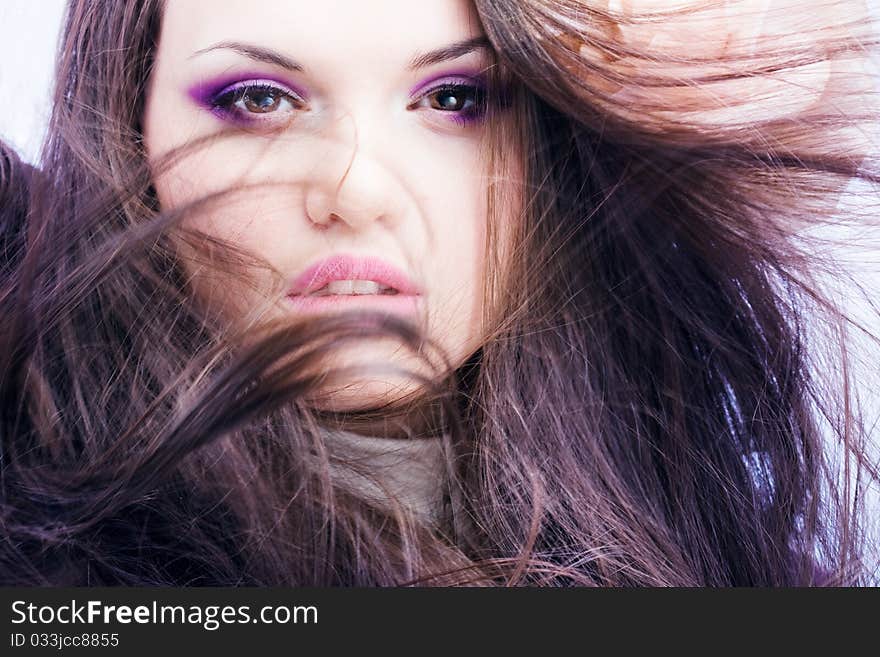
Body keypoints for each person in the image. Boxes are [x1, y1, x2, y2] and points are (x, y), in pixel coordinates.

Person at [1, 0, 878, 586]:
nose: (357, 189)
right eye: (259, 98)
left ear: (556, 140)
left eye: (455, 97)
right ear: (127, 121)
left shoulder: (727, 555)